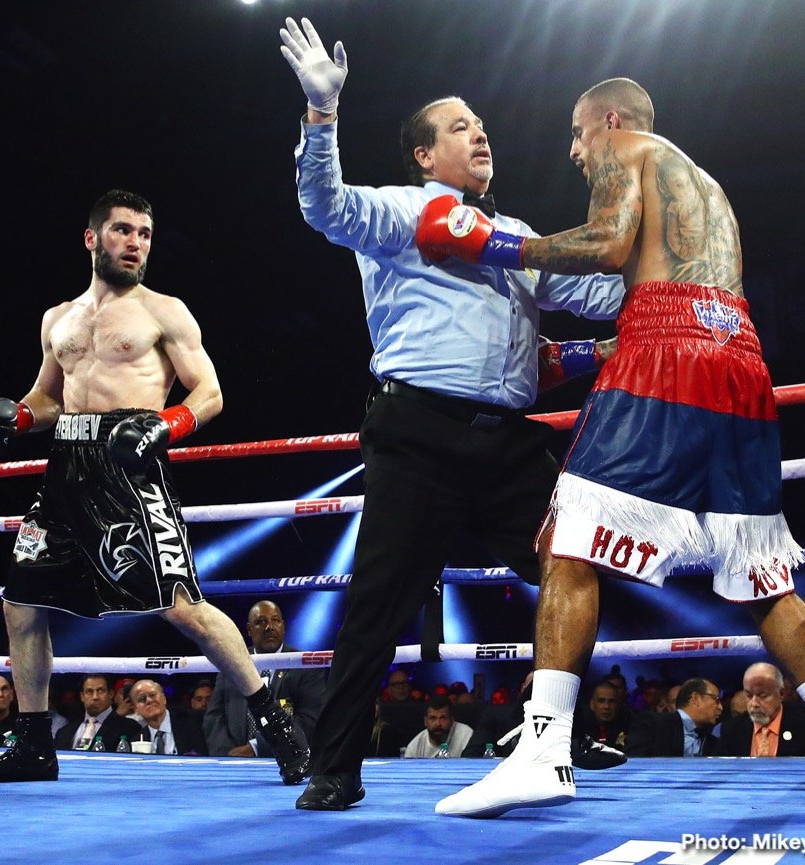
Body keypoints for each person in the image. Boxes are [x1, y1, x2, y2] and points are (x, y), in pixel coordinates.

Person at [416, 75, 805, 816]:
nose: (575, 152)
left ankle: (542, 750)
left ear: (607, 119)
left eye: (576, 133)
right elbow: (670, 281)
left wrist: (495, 244)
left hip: (667, 353)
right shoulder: (708, 187)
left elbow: (607, 246)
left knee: (567, 544)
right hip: (740, 357)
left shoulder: (626, 146)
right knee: (763, 573)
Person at [278, 18, 624, 811]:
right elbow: (324, 206)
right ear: (425, 156)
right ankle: (336, 766)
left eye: (482, 124)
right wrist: (322, 115)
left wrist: (665, 266)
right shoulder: (401, 212)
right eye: (459, 126)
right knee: (378, 605)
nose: (480, 134)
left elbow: (597, 294)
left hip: (507, 445)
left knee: (572, 567)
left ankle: (554, 733)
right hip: (418, 437)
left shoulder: (518, 236)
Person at [0, 189, 309, 785]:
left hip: (129, 465)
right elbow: (48, 396)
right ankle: (36, 747)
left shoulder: (164, 311)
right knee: (21, 603)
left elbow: (209, 392)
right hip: (65, 466)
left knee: (183, 608)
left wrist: (166, 425)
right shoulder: (58, 318)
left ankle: (277, 726)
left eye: (144, 234)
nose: (136, 243)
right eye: (123, 231)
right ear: (93, 238)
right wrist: (15, 417)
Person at [204, 600, 326, 758]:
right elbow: (214, 716)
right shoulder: (231, 662)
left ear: (283, 625)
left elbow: (310, 720)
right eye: (261, 622)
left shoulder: (304, 665)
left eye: (275, 620)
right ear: (249, 629)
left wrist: (257, 748)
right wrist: (226, 755)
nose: (269, 627)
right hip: (234, 763)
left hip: (290, 759)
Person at [717, 663, 805, 759]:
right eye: (749, 695)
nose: (754, 704)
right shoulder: (731, 730)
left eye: (762, 696)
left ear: (781, 694)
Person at [54, 674, 142, 751]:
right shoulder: (64, 732)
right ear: (82, 697)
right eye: (89, 692)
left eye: (100, 691)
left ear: (111, 694)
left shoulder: (129, 727)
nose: (95, 697)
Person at [128, 679, 207, 756]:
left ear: (164, 699)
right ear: (136, 709)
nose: (149, 701)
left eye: (152, 695)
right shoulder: (137, 741)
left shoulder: (195, 722)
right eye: (142, 699)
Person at [647, 678, 721, 757]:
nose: (720, 707)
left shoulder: (713, 743)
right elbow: (634, 763)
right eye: (716, 699)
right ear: (696, 698)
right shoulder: (654, 724)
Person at [402, 695, 473, 758]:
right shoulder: (415, 747)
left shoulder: (466, 735)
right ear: (425, 721)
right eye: (433, 718)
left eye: (443, 718)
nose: (438, 724)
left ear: (452, 720)